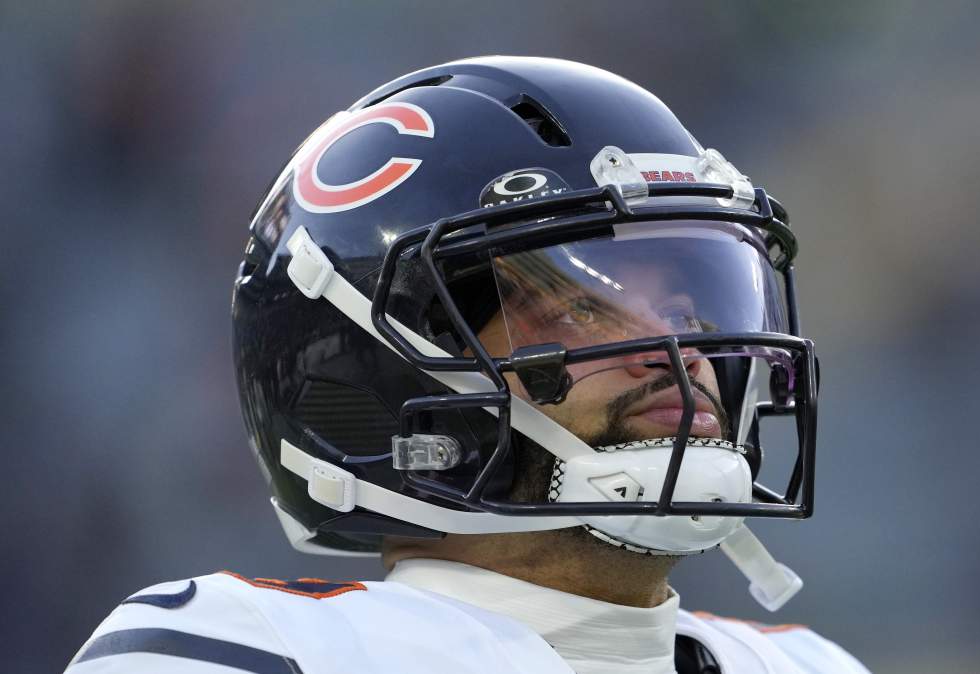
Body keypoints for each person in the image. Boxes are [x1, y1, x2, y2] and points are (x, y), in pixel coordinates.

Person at [66, 56, 870, 674]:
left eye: (691, 308)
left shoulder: (810, 666)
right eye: (584, 305)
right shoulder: (256, 651)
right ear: (391, 376)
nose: (684, 352)